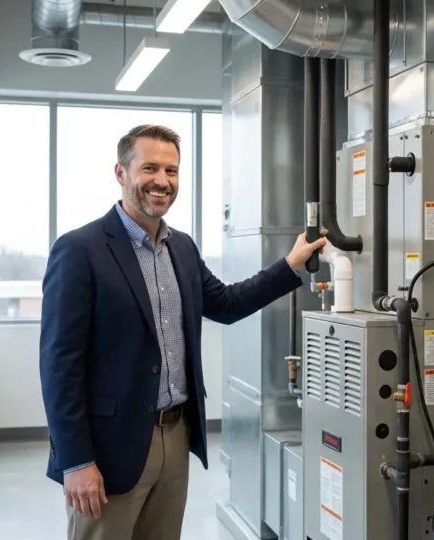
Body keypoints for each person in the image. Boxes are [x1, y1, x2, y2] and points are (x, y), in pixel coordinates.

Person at [39, 124, 326, 540]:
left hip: (175, 437)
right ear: (121, 173)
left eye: (171, 171)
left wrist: (291, 265)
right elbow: (58, 367)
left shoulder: (182, 248)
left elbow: (226, 304)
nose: (162, 181)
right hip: (109, 446)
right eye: (150, 168)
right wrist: (76, 460)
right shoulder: (80, 250)